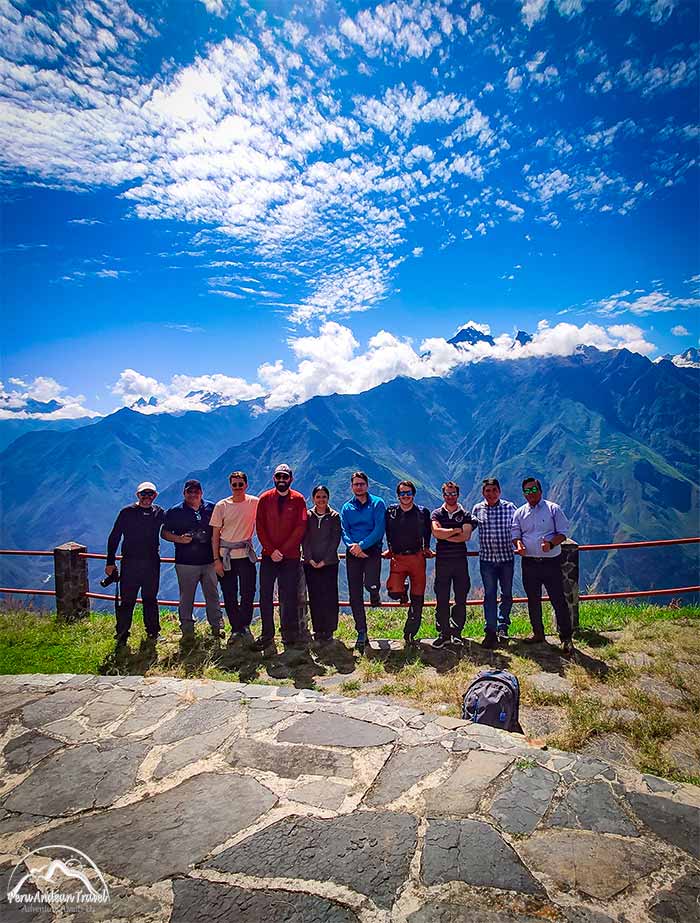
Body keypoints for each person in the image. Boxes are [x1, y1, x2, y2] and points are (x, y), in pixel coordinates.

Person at [512, 476, 574, 656]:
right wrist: (519, 545)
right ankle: (538, 633)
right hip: (529, 562)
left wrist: (551, 544)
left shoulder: (553, 509)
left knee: (558, 600)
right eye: (527, 490)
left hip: (550, 562)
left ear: (540, 490)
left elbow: (563, 533)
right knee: (533, 600)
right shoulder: (520, 512)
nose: (530, 493)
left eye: (533, 489)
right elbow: (516, 533)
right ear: (523, 493)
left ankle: (566, 638)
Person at [254, 463, 307, 651]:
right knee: (265, 596)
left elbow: (300, 527)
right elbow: (260, 526)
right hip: (268, 556)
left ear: (291, 479)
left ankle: (289, 634)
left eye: (285, 477)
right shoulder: (264, 499)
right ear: (274, 478)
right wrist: (271, 550)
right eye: (279, 477)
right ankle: (267, 634)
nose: (282, 480)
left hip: (290, 557)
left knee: (289, 596)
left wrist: (282, 550)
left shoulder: (299, 499)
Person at [162, 479, 224, 640]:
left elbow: (219, 529)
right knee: (186, 597)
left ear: (201, 493)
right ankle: (187, 630)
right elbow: (164, 533)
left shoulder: (211, 508)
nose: (193, 494)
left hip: (209, 561)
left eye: (196, 491)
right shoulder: (175, 511)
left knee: (212, 595)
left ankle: (217, 627)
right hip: (186, 562)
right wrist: (179, 539)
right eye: (189, 491)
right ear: (184, 493)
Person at [106, 481, 164, 647]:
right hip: (130, 563)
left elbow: (173, 525)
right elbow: (115, 536)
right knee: (127, 600)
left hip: (151, 563)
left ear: (155, 495)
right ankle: (122, 634)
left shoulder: (159, 512)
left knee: (150, 599)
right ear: (137, 495)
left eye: (150, 494)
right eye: (143, 494)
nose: (147, 497)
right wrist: (110, 562)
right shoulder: (127, 512)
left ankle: (153, 632)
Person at [340, 471, 386, 651]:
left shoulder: (377, 503)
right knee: (355, 593)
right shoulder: (347, 507)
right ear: (352, 486)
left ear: (367, 485)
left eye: (361, 484)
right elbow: (344, 530)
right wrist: (353, 546)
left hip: (372, 548)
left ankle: (374, 593)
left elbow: (379, 529)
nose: (359, 487)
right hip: (353, 551)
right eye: (355, 484)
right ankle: (361, 631)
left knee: (371, 583)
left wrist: (362, 545)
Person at [210, 471, 258, 643]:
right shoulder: (221, 506)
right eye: (234, 485)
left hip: (245, 555)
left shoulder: (255, 503)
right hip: (226, 556)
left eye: (240, 484)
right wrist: (216, 560)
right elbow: (215, 535)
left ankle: (244, 625)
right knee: (229, 594)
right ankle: (236, 628)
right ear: (230, 486)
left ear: (246, 485)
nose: (237, 487)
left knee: (248, 592)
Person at [384, 480, 433, 646]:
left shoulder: (422, 512)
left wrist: (427, 548)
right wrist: (389, 549)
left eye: (408, 493)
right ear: (398, 495)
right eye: (402, 493)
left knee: (417, 598)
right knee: (393, 592)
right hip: (398, 558)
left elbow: (428, 531)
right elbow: (388, 531)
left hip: (417, 558)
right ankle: (402, 590)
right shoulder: (391, 512)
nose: (405, 496)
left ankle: (410, 632)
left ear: (413, 494)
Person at [430, 481, 478, 648]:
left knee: (460, 598)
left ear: (458, 494)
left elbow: (466, 536)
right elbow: (436, 532)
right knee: (441, 598)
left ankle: (457, 633)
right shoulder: (437, 513)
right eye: (447, 494)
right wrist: (456, 530)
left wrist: (445, 535)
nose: (450, 496)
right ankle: (444, 633)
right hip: (442, 562)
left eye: (453, 494)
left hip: (459, 562)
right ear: (443, 495)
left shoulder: (465, 514)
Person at [471, 477, 517, 649]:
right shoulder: (478, 509)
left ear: (499, 491)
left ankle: (503, 626)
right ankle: (490, 630)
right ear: (483, 492)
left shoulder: (510, 507)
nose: (491, 494)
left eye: (494, 490)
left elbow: (519, 527)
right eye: (488, 491)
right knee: (489, 595)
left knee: (506, 594)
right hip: (487, 560)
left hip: (506, 559)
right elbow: (468, 527)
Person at [302, 485, 341, 645]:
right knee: (315, 596)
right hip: (310, 564)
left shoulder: (334, 516)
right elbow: (305, 538)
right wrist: (309, 558)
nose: (321, 500)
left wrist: (325, 560)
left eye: (324, 496)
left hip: (329, 563)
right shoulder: (307, 516)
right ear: (313, 498)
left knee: (330, 596)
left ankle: (329, 629)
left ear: (328, 498)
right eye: (318, 497)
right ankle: (318, 629)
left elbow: (335, 540)